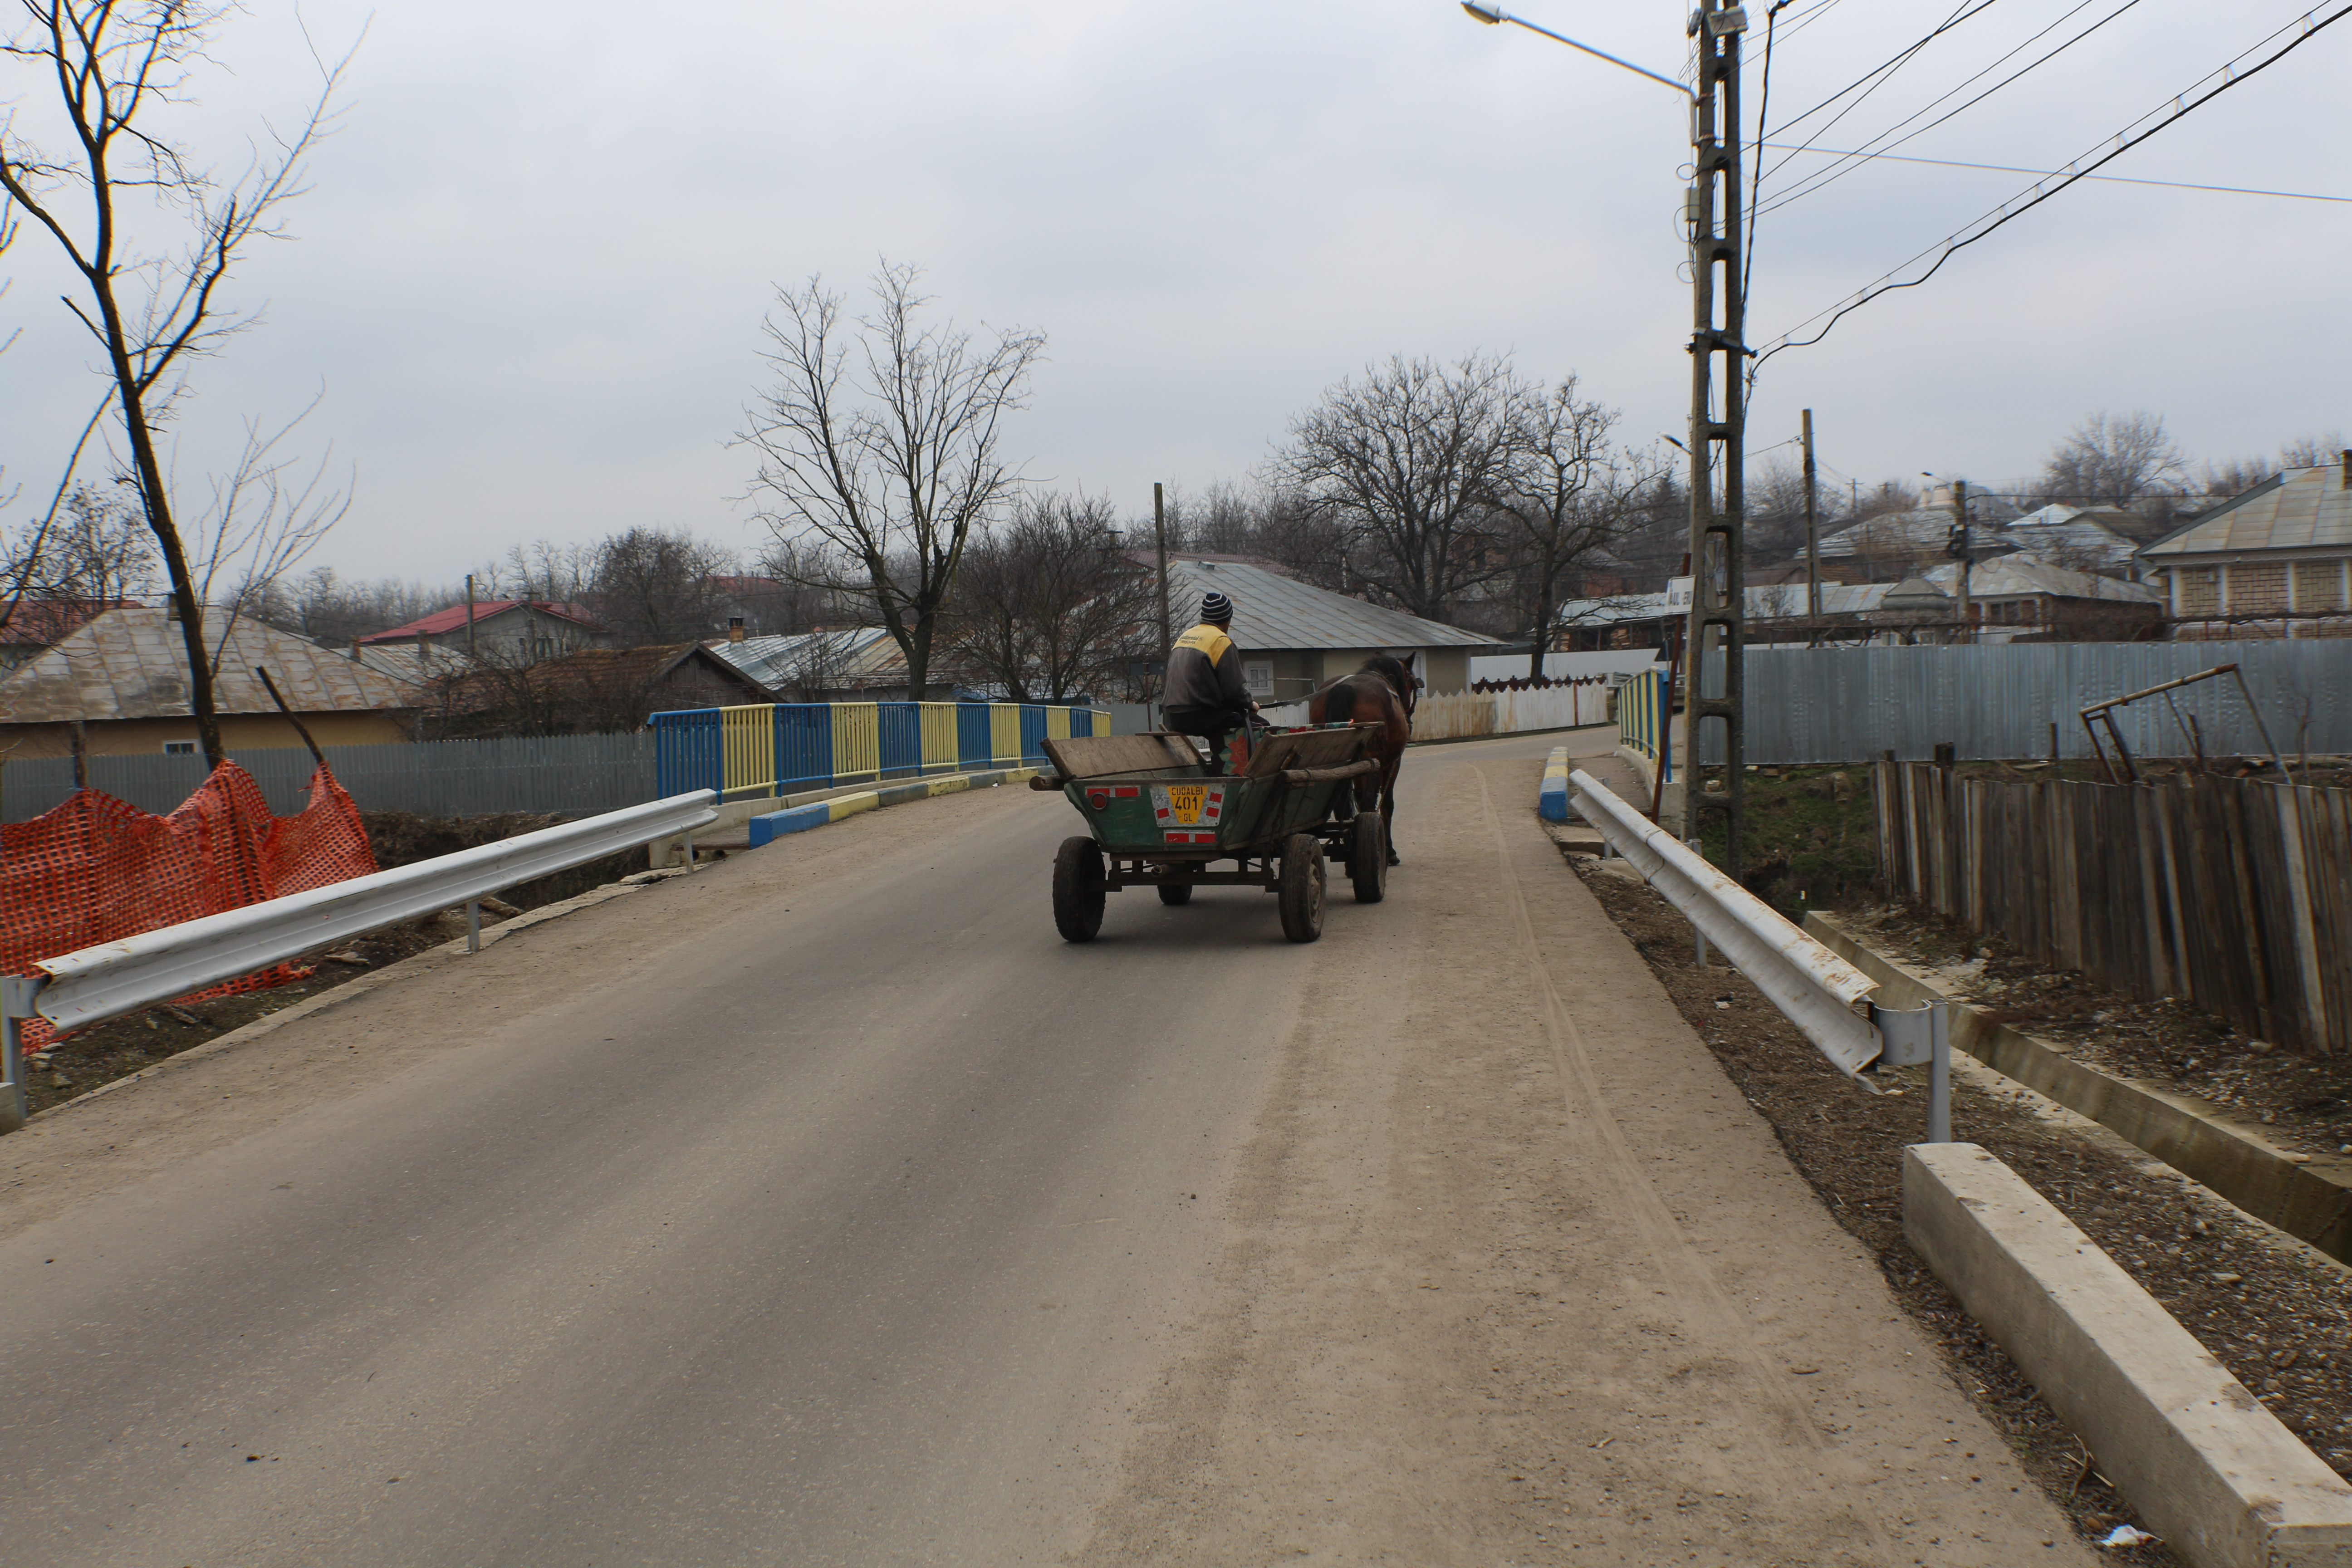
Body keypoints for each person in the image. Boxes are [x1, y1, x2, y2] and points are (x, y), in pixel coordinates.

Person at [1161, 590, 1258, 774]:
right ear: (1227, 619)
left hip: (1175, 718)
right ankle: (1236, 776)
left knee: (1231, 719)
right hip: (1202, 717)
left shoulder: (1185, 636)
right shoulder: (1221, 641)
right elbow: (1234, 691)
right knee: (1262, 728)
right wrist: (1250, 703)